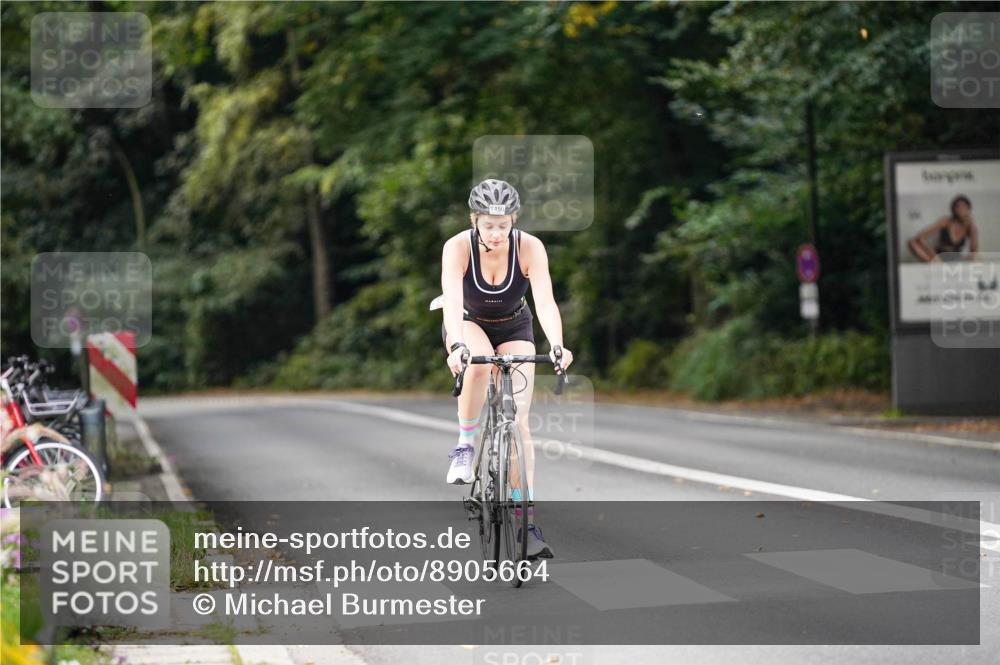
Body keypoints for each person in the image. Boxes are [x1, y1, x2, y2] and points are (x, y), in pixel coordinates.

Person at [439, 179, 574, 560]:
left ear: (513, 220)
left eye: (503, 224)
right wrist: (455, 347)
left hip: (516, 324)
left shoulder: (530, 247)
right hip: (469, 323)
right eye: (488, 225)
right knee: (479, 368)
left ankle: (526, 524)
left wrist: (558, 345)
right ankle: (465, 444)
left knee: (520, 424)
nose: (496, 233)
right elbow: (451, 299)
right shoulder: (457, 247)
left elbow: (545, 301)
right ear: (474, 221)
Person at [908, 194, 979, 262]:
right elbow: (921, 236)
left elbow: (973, 250)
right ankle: (934, 264)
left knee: (976, 257)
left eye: (964, 206)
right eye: (958, 206)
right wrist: (934, 255)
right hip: (938, 257)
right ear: (954, 209)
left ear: (968, 209)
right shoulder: (946, 221)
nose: (961, 209)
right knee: (912, 242)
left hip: (956, 258)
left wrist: (972, 226)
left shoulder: (970, 226)